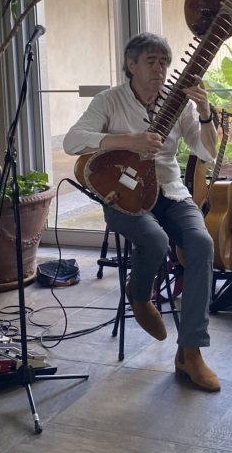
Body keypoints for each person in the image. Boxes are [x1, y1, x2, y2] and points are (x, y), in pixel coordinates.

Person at [64, 32, 221, 392]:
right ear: (131, 65)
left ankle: (191, 351)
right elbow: (73, 140)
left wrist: (205, 113)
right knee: (155, 239)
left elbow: (208, 152)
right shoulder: (109, 101)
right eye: (151, 61)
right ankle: (139, 294)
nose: (159, 69)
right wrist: (126, 140)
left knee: (201, 244)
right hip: (124, 196)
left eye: (164, 62)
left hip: (169, 191)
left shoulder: (178, 104)